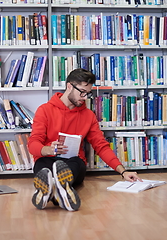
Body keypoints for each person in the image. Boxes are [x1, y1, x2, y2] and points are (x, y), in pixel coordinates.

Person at [28, 68, 142, 212]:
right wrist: (47, 149)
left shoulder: (88, 115)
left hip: (73, 163)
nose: (84, 97)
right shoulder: (44, 110)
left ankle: (50, 191)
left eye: (87, 93)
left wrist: (123, 171)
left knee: (77, 163)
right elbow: (33, 144)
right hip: (47, 159)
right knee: (43, 165)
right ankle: (60, 192)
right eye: (82, 92)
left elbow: (101, 146)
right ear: (69, 86)